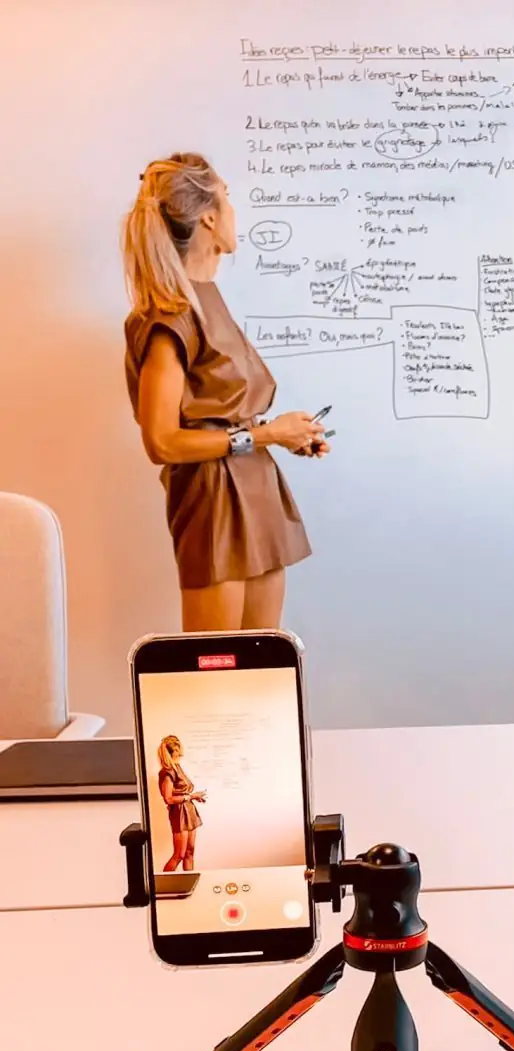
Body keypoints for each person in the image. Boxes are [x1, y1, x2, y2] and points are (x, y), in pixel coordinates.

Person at [121, 152, 329, 631]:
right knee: (216, 668)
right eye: (228, 198)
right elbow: (161, 442)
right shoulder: (169, 316)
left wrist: (285, 434)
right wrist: (264, 436)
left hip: (257, 487)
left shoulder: (206, 297)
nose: (235, 210)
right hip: (214, 500)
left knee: (264, 663)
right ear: (209, 218)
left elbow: (222, 410)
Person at [157, 735, 206, 872]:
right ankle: (163, 883)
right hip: (179, 813)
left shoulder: (177, 767)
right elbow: (168, 799)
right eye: (178, 751)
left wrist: (193, 798)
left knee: (190, 852)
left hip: (189, 810)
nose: (181, 754)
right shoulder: (167, 772)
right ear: (172, 752)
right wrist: (190, 796)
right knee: (179, 854)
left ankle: (189, 881)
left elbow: (181, 792)